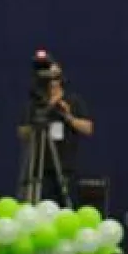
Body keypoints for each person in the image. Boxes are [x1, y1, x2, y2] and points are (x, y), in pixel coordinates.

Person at [18, 60, 93, 205]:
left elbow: (88, 128)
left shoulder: (73, 101)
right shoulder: (36, 104)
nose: (52, 82)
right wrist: (39, 118)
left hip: (64, 167)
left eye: (55, 77)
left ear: (61, 79)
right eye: (48, 79)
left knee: (63, 207)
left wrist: (68, 117)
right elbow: (22, 132)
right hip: (39, 167)